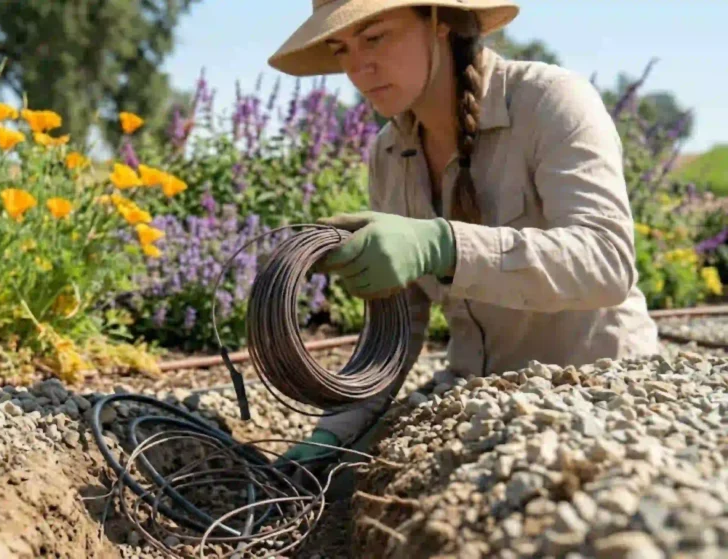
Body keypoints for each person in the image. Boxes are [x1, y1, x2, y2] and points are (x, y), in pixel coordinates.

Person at [266, 0, 660, 465]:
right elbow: (396, 329)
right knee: (342, 480)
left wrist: (444, 246)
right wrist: (333, 432)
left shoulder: (548, 101)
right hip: (478, 396)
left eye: (374, 37)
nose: (358, 67)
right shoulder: (389, 154)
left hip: (600, 390)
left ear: (439, 21)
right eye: (341, 49)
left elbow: (606, 262)